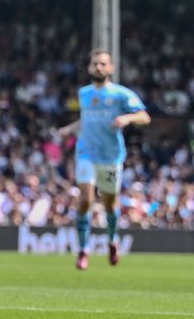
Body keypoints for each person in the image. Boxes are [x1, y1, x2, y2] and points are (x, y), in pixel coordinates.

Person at [57, 50, 150, 270]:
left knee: (109, 205)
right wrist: (69, 130)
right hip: (86, 153)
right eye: (95, 63)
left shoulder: (120, 94)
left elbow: (145, 116)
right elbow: (86, 120)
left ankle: (112, 240)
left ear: (110, 68)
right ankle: (83, 250)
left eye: (102, 64)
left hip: (110, 157)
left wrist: (127, 118)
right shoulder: (84, 93)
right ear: (89, 67)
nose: (98, 67)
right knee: (86, 200)